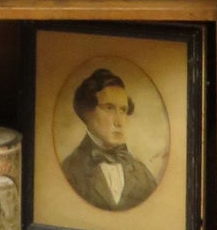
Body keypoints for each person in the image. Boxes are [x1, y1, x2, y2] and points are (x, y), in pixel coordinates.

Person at [60, 67, 159, 211]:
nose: (119, 122)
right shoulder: (69, 172)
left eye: (123, 110)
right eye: (109, 108)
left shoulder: (143, 175)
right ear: (87, 111)